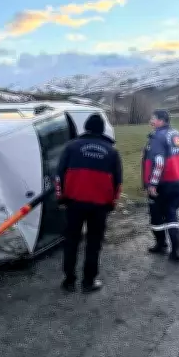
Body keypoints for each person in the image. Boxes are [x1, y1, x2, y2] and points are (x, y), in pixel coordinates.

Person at [55, 113, 122, 293]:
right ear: (101, 130)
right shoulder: (112, 151)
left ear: (85, 127)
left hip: (74, 203)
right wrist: (112, 203)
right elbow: (117, 183)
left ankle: (69, 280)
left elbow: (59, 176)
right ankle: (89, 281)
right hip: (99, 206)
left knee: (71, 241)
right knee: (94, 243)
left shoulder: (71, 147)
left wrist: (61, 198)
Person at [142, 109, 179, 262]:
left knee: (156, 214)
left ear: (161, 120)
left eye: (153, 119)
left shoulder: (158, 136)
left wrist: (152, 184)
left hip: (163, 183)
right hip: (178, 182)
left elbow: (159, 162)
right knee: (171, 213)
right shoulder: (177, 134)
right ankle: (177, 249)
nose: (150, 121)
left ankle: (162, 244)